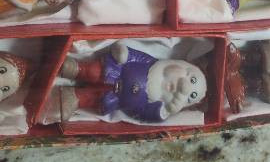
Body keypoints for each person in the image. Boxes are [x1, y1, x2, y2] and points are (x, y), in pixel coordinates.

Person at [58, 40, 207, 124]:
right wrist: (124, 54)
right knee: (93, 71)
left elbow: (142, 116)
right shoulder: (151, 64)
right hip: (115, 71)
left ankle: (74, 98)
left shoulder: (157, 105)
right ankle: (76, 69)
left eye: (191, 96)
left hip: (115, 100)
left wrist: (161, 113)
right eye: (191, 78)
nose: (184, 88)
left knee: (92, 98)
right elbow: (137, 57)